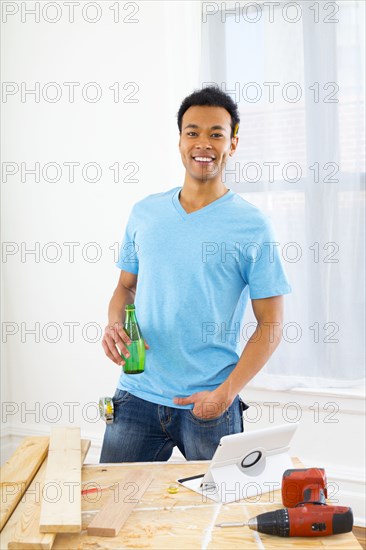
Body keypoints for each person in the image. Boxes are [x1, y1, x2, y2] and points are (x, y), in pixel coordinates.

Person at [100, 86, 291, 462]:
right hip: (136, 395)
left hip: (210, 402)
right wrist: (113, 325)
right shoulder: (145, 213)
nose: (203, 143)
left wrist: (226, 393)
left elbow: (271, 324)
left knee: (221, 516)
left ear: (232, 144)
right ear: (180, 141)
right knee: (111, 508)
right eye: (193, 132)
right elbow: (125, 286)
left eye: (216, 134)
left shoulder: (252, 226)